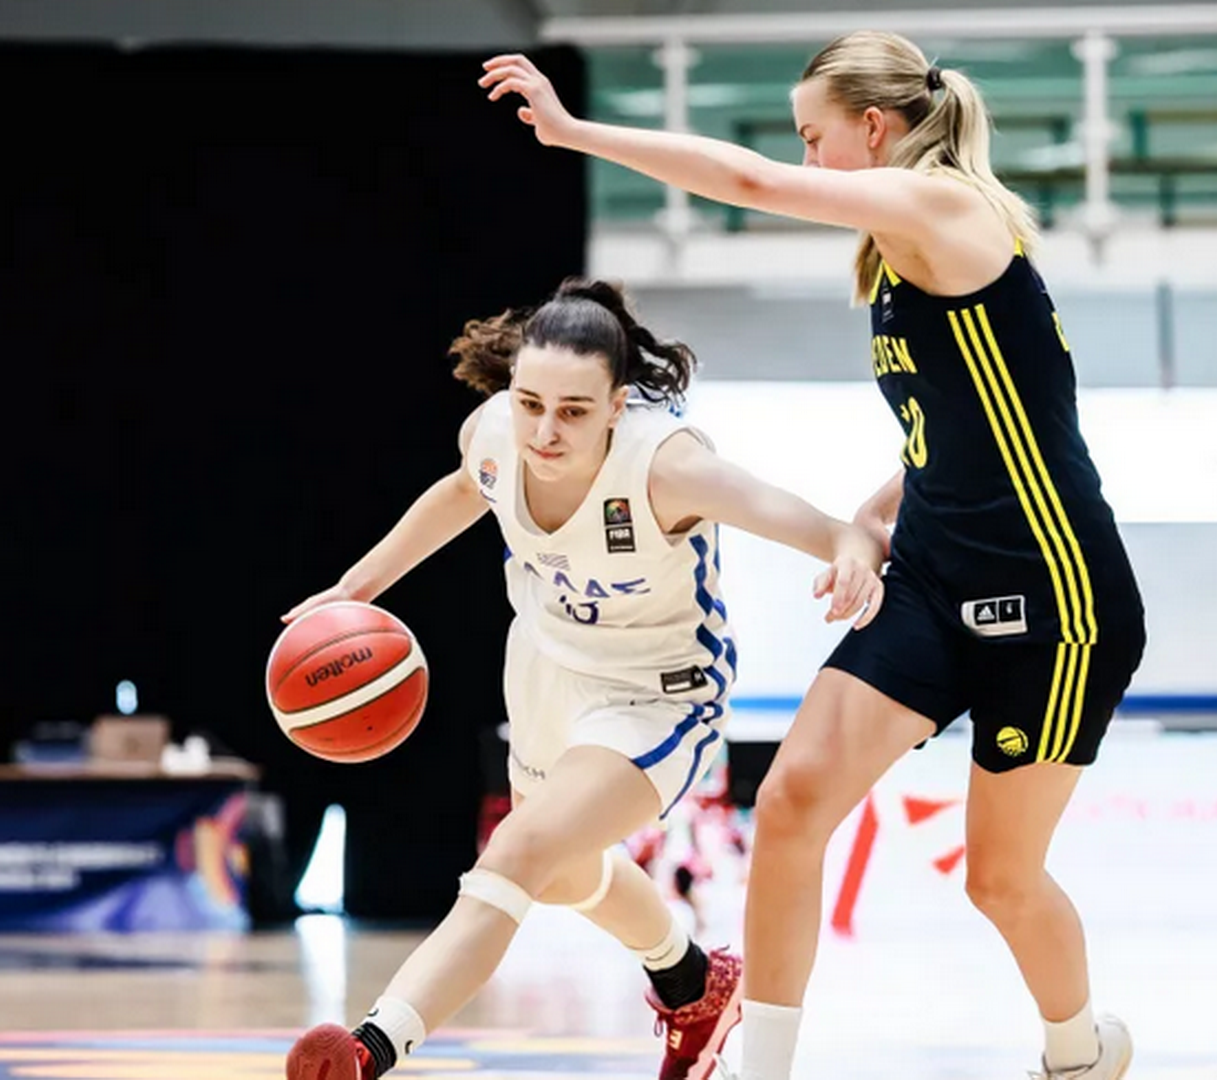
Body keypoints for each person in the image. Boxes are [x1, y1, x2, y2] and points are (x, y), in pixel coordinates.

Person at [482, 30, 1147, 1080]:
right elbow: (966, 423)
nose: (806, 157)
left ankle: (1080, 1054)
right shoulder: (901, 253)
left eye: (813, 136)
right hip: (933, 577)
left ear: (873, 128)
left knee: (1000, 879)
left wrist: (572, 134)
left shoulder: (943, 209)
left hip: (1056, 596)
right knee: (791, 805)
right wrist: (870, 516)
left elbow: (748, 183)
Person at [282, 277, 885, 1080]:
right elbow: (464, 490)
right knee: (560, 876)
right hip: (547, 667)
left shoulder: (667, 467)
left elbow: (826, 528)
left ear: (616, 405)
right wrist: (355, 588)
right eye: (531, 403)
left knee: (517, 852)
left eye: (572, 411)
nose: (544, 431)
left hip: (655, 691)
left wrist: (852, 554)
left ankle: (369, 1048)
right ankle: (694, 983)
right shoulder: (494, 434)